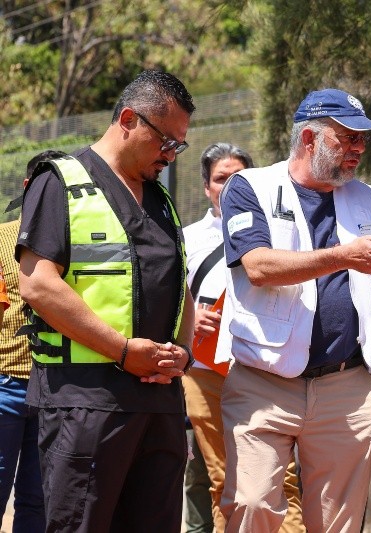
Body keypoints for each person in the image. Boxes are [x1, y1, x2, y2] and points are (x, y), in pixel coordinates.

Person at [218, 88, 371, 532]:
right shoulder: (250, 187)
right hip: (263, 383)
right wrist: (343, 256)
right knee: (252, 507)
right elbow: (258, 266)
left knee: (340, 523)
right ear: (309, 138)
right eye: (348, 139)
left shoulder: (367, 198)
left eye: (363, 139)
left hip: (347, 385)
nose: (359, 149)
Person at [17, 70, 196, 532]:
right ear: (129, 119)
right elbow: (37, 283)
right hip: (85, 402)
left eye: (180, 146)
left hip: (159, 404)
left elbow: (179, 284)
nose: (170, 156)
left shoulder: (161, 200)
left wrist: (183, 352)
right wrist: (122, 350)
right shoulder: (60, 182)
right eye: (167, 142)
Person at [182, 142, 305, 533]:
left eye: (237, 177)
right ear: (206, 187)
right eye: (220, 179)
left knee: (280, 480)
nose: (229, 185)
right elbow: (169, 296)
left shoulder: (278, 229)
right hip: (204, 371)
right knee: (223, 479)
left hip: (260, 368)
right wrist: (191, 318)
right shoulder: (187, 237)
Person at [0, 150, 64, 533]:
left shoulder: (77, 245)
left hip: (57, 390)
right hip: (5, 385)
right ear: (29, 188)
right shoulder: (2, 238)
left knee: (39, 502)